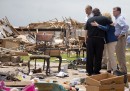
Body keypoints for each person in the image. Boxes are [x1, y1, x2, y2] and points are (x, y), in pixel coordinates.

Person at [84, 8, 112, 76]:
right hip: (100, 39)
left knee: (90, 56)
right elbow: (111, 23)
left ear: (93, 13)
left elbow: (86, 30)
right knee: (98, 56)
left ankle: (89, 71)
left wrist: (85, 39)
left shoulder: (89, 19)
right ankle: (96, 71)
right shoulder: (104, 18)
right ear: (99, 12)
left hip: (90, 39)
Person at [113, 7, 129, 74]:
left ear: (119, 11)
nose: (113, 12)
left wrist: (121, 35)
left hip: (120, 38)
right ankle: (122, 69)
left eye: (114, 11)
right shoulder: (117, 19)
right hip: (119, 38)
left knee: (120, 54)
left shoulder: (120, 18)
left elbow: (126, 26)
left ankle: (123, 71)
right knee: (119, 54)